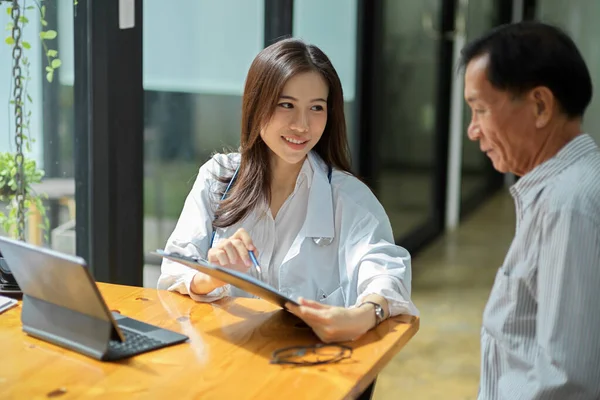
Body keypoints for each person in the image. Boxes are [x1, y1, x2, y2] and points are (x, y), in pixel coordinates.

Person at [157, 38, 418, 344]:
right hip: (229, 359)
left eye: (316, 108)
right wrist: (212, 276)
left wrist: (364, 314)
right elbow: (175, 268)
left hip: (311, 368)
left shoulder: (349, 198)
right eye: (286, 105)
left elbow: (388, 272)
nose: (301, 125)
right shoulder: (218, 178)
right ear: (257, 104)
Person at [461, 21, 600, 399]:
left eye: (480, 110)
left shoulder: (567, 205)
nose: (473, 130)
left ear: (540, 105)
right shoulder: (560, 188)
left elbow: (569, 381)